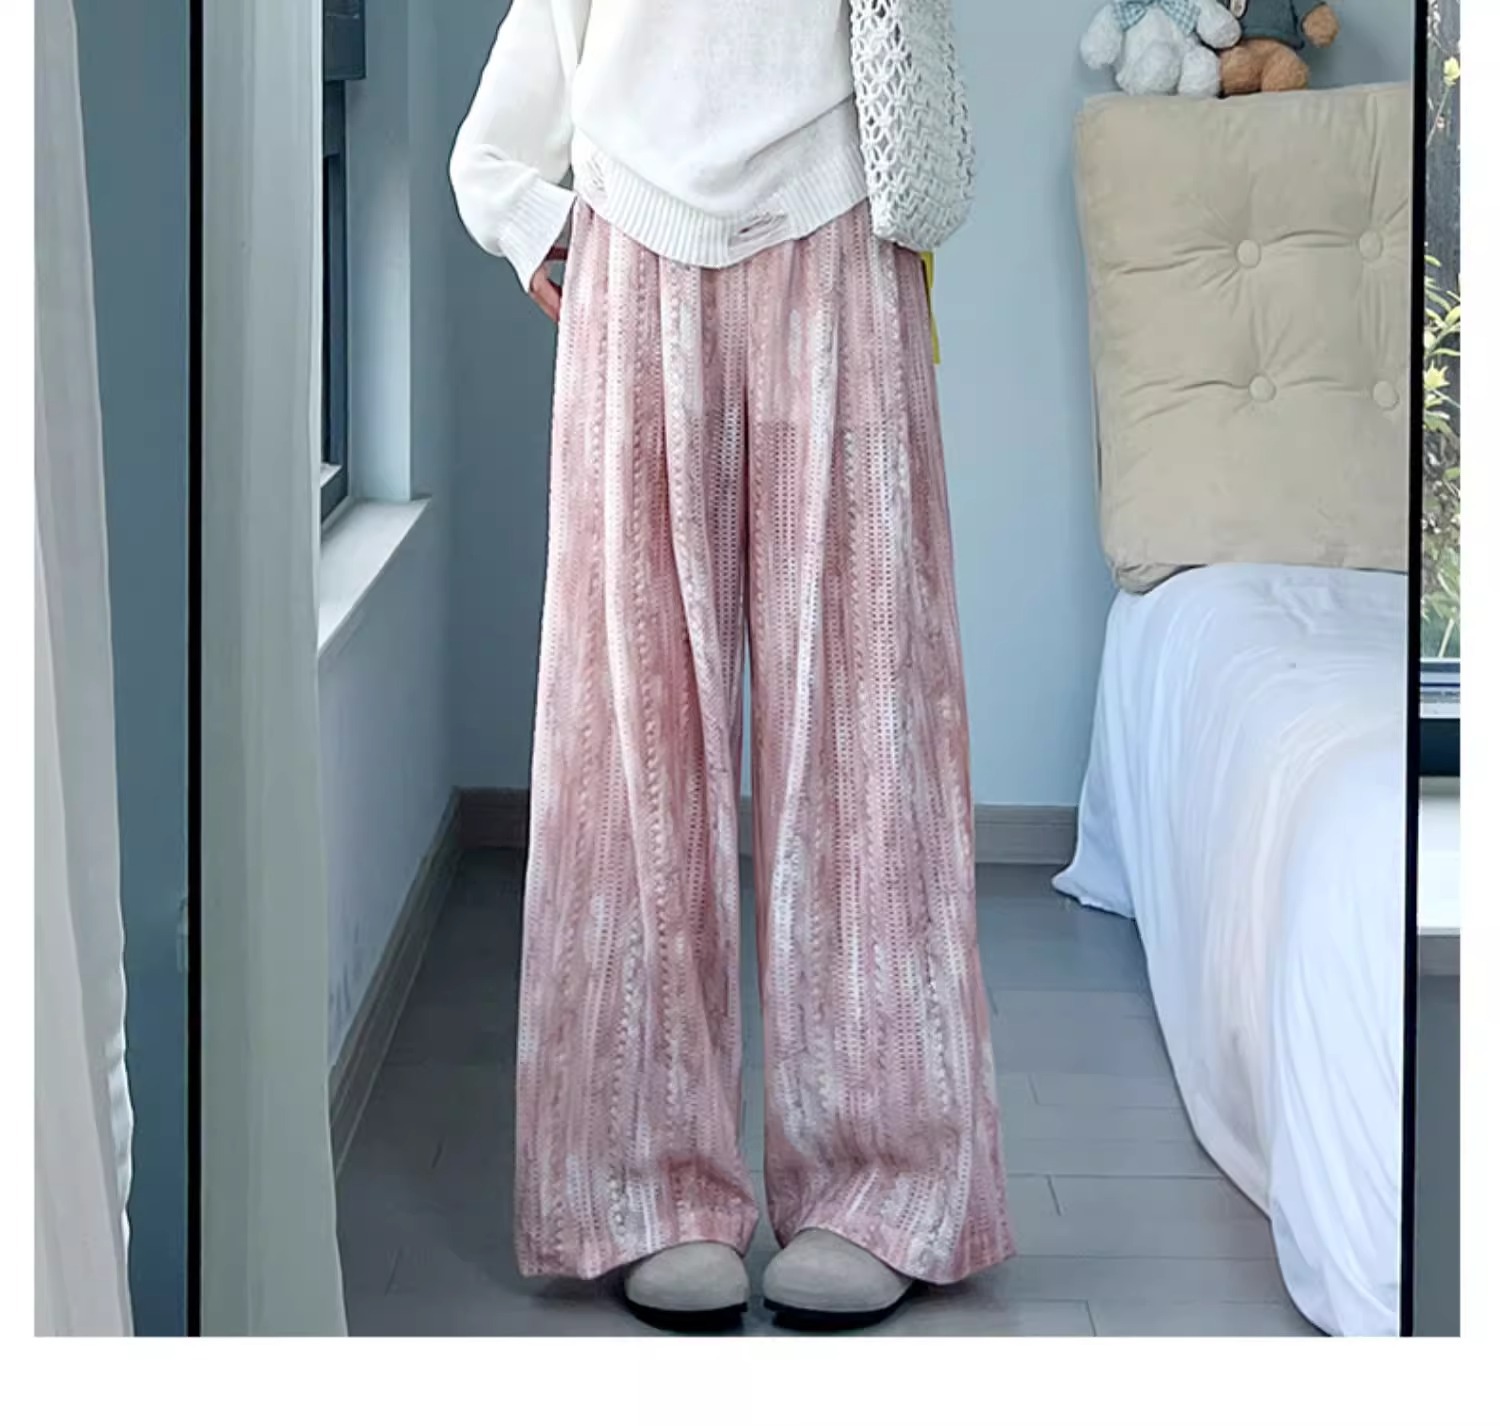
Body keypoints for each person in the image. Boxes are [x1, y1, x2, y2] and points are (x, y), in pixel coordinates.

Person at [450, 0, 1013, 1331]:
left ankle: (883, 1178)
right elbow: (496, 140)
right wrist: (532, 220)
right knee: (633, 732)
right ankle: (643, 1183)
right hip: (635, 241)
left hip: (846, 226)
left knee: (865, 721)